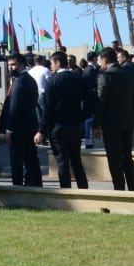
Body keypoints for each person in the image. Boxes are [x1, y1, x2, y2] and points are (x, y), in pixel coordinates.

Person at [39, 51, 90, 189]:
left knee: (62, 162)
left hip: (58, 127)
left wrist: (41, 130)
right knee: (76, 160)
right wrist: (81, 116)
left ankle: (66, 190)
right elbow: (90, 101)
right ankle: (83, 189)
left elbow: (47, 109)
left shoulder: (52, 82)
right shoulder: (78, 79)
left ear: (58, 63)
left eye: (52, 63)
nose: (51, 66)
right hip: (75, 126)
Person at [96, 48, 134, 191]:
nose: (98, 63)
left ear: (105, 60)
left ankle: (119, 189)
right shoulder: (129, 74)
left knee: (114, 159)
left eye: (99, 60)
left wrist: (96, 124)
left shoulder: (105, 76)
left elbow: (101, 101)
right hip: (128, 122)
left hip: (111, 124)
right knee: (127, 157)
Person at [5, 59, 41, 187]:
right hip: (29, 126)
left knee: (17, 161)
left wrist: (9, 129)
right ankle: (34, 184)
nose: (10, 67)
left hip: (19, 128)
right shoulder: (27, 79)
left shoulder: (21, 82)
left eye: (13, 64)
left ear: (21, 64)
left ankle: (18, 187)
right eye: (9, 65)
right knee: (30, 159)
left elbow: (14, 108)